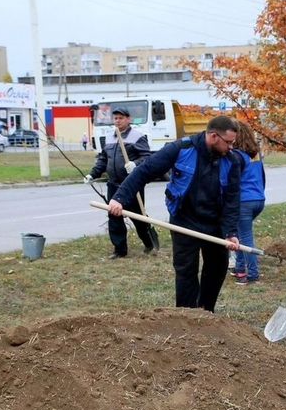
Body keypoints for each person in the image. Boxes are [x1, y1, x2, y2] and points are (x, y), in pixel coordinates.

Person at [107, 116, 241, 313]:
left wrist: (230, 232)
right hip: (184, 220)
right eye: (228, 142)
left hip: (215, 223)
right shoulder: (181, 149)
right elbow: (145, 171)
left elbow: (232, 199)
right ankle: (186, 316)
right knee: (186, 270)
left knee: (217, 268)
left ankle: (205, 313)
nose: (231, 147)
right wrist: (120, 198)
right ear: (213, 136)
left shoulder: (232, 161)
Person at [84, 106, 158, 259]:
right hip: (113, 184)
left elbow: (147, 157)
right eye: (115, 118)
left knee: (138, 216)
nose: (117, 121)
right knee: (114, 216)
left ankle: (150, 243)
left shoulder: (137, 137)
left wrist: (135, 164)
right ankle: (119, 250)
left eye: (121, 118)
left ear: (128, 119)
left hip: (132, 185)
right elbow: (103, 159)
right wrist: (92, 174)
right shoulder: (110, 137)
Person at [232, 120, 266, 285]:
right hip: (258, 199)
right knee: (239, 235)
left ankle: (252, 274)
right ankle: (239, 269)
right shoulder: (256, 154)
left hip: (244, 201)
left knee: (245, 238)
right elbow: (262, 176)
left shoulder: (237, 156)